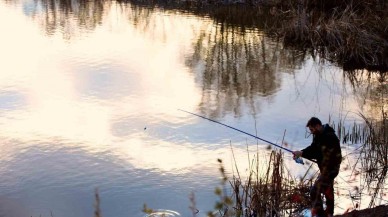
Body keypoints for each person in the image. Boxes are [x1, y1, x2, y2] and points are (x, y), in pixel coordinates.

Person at [293, 117, 342, 217]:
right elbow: (313, 148)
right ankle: (329, 214)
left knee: (314, 192)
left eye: (312, 129)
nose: (311, 132)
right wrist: (301, 152)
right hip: (325, 169)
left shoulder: (329, 136)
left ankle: (321, 215)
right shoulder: (319, 135)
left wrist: (301, 153)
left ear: (318, 126)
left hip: (331, 169)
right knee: (328, 190)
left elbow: (317, 152)